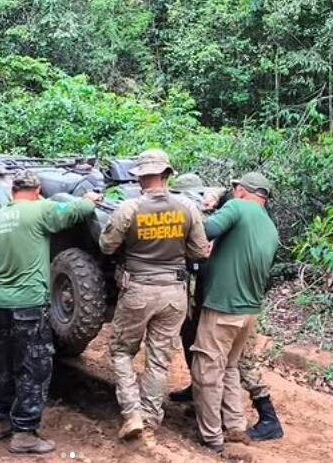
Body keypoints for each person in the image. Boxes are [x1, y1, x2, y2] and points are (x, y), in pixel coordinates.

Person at [99, 150, 210, 448]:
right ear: (167, 174)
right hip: (174, 294)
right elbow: (200, 251)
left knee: (122, 351)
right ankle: (150, 418)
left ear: (139, 177)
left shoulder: (129, 208)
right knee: (159, 359)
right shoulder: (187, 207)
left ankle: (132, 412)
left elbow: (107, 246)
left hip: (138, 290)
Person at [0, 169, 101, 454]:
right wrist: (90, 198)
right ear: (37, 190)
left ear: (14, 191)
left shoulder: (1, 216)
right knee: (34, 367)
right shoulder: (40, 210)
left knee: (4, 364)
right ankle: (25, 432)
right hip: (28, 303)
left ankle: (1, 421)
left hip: (0, 303)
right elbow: (76, 210)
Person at [170, 183, 284, 443]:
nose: (233, 193)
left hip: (223, 306)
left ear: (243, 190)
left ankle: (211, 436)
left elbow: (205, 231)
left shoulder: (237, 206)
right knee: (230, 366)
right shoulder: (269, 226)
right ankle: (235, 427)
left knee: (207, 369)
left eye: (235, 188)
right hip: (250, 309)